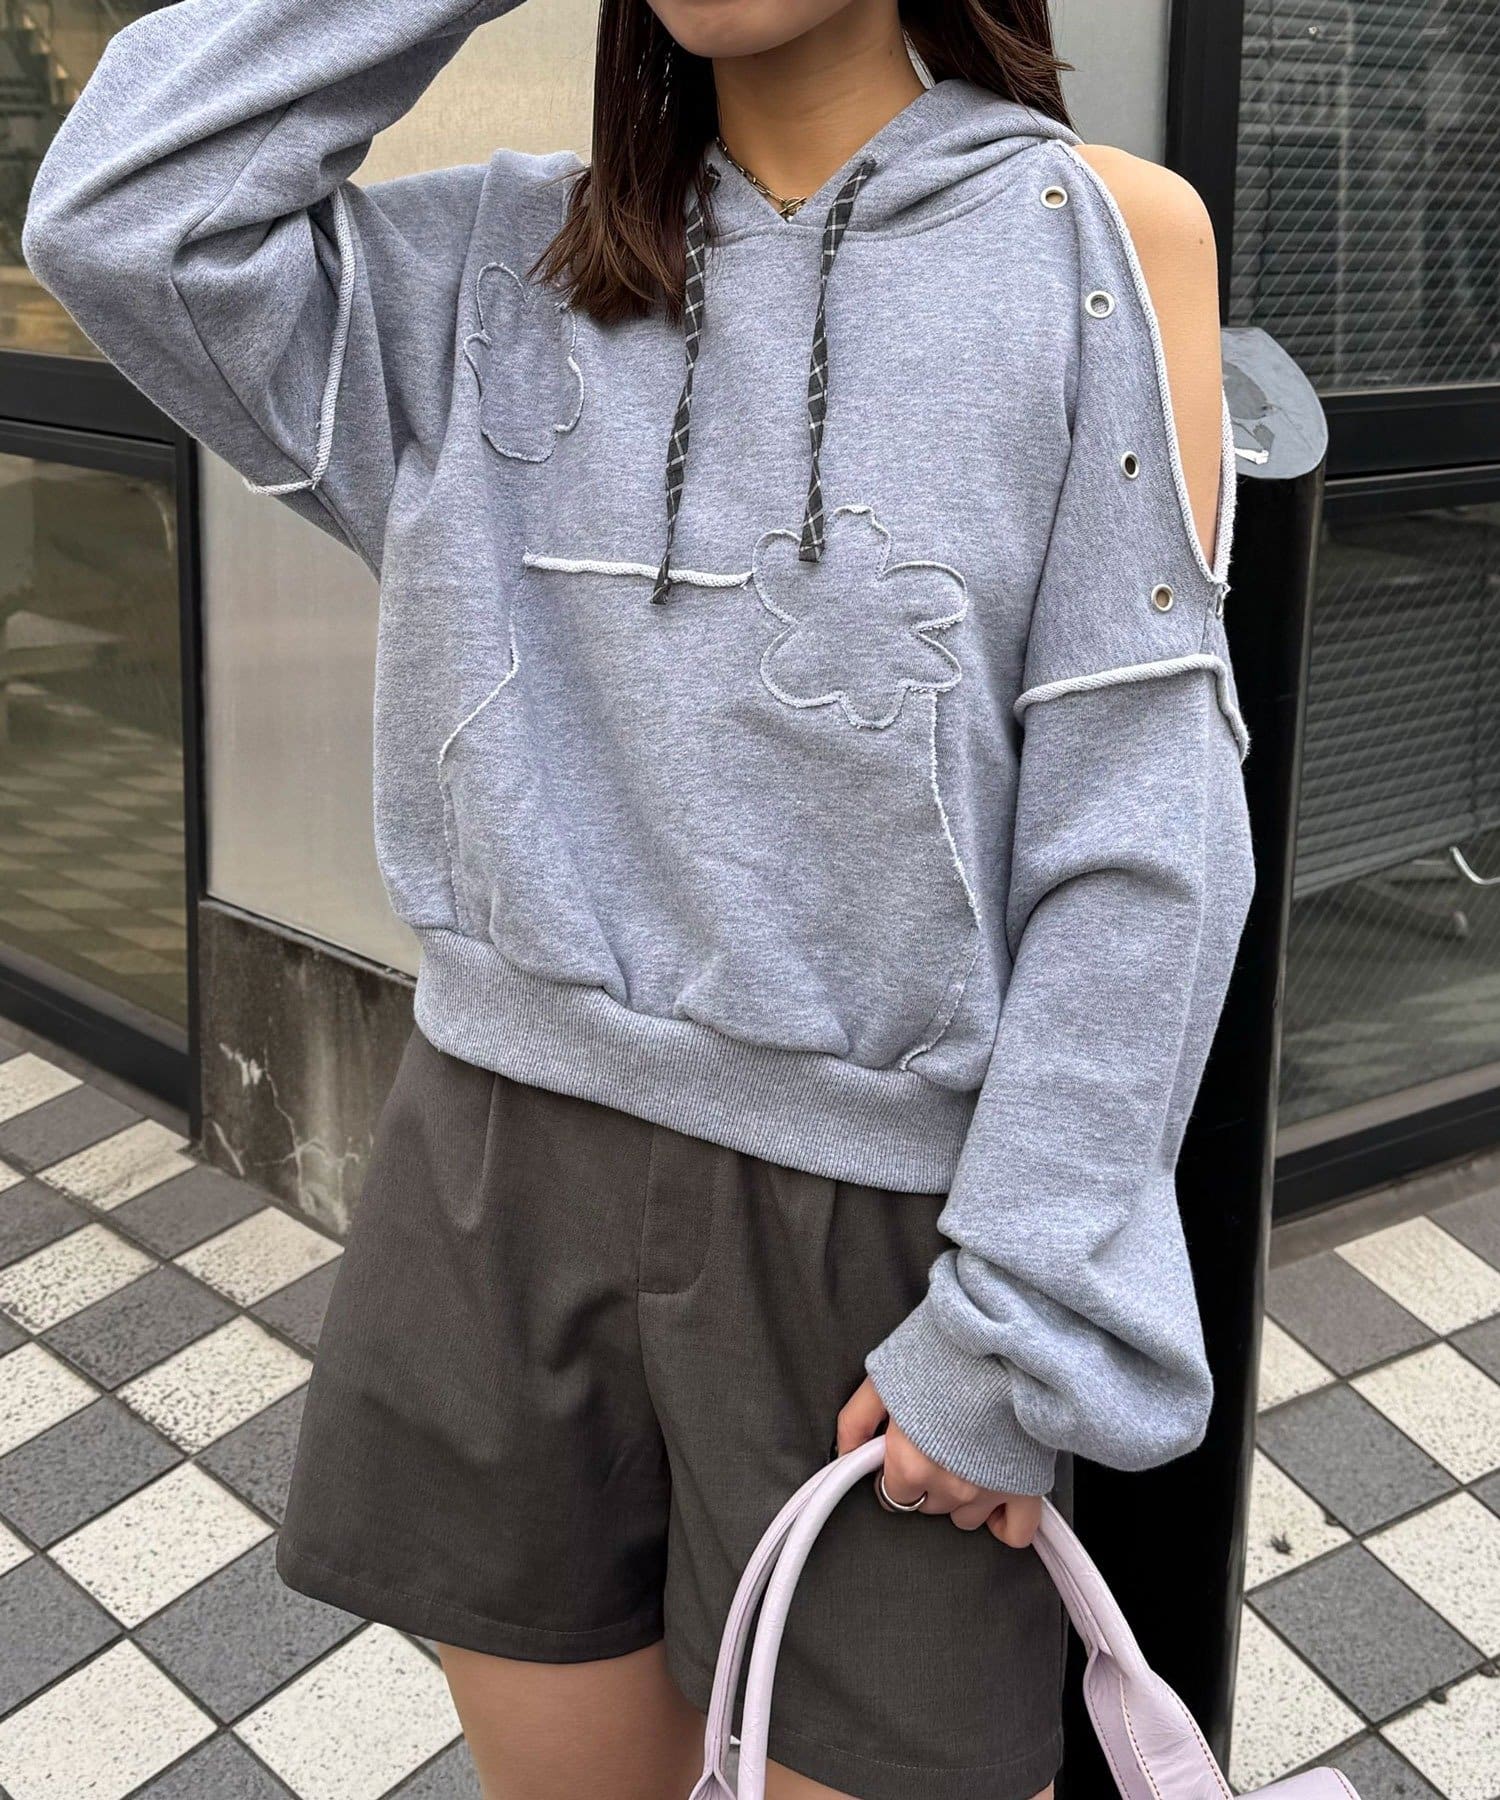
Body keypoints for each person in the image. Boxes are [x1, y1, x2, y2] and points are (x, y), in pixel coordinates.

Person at [23, 0, 1253, 1788]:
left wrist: (1027, 1309)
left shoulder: (1098, 237)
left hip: (886, 1243)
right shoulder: (489, 266)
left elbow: (1144, 822)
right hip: (492, 1180)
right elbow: (124, 215)